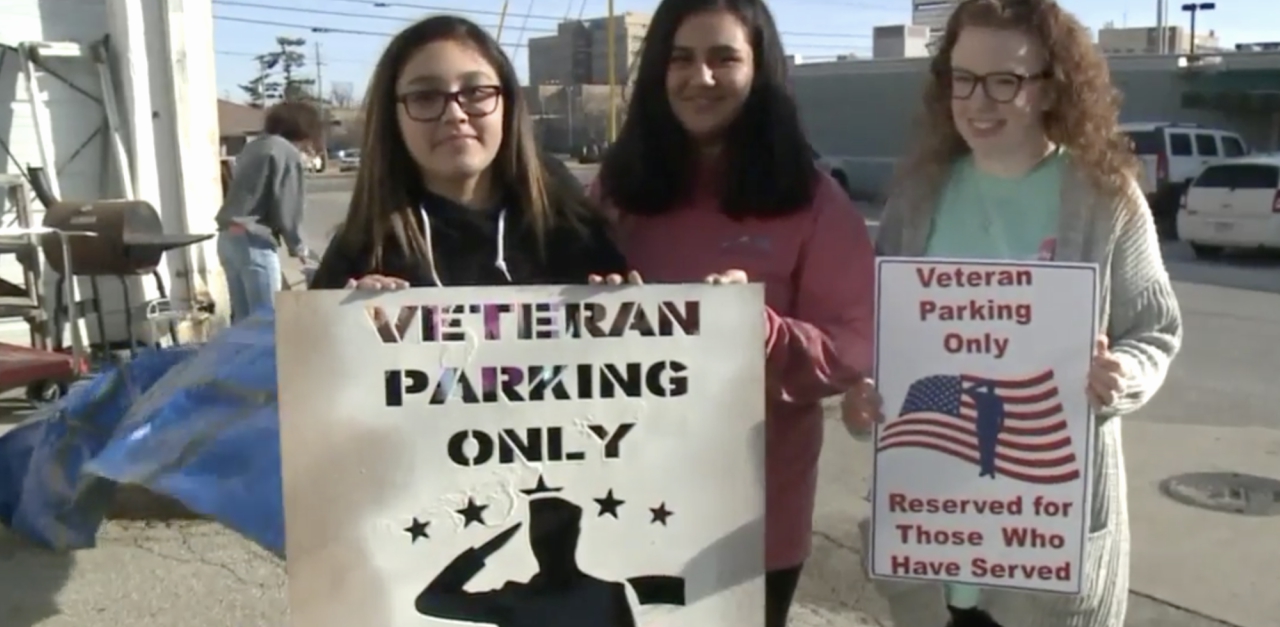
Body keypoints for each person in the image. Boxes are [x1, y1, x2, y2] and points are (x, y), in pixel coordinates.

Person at [843, 1, 1183, 626]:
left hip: (1045, 565)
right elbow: (883, 340)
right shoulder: (918, 197)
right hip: (933, 551)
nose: (978, 101)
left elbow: (1156, 330)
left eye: (1005, 81)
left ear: (1052, 86)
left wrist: (1121, 377)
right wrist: (864, 401)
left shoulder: (1104, 199)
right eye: (963, 79)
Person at [590, 0, 876, 625]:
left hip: (754, 515)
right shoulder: (615, 189)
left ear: (761, 70)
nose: (702, 78)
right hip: (623, 499)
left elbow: (853, 345)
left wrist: (763, 333)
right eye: (682, 59)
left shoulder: (813, 198)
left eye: (725, 58)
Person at [308, 15, 626, 291]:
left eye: (475, 92)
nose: (455, 114)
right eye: (425, 96)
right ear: (393, 118)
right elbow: (309, 355)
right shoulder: (364, 247)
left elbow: (636, 347)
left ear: (508, 105)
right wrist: (347, 329)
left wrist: (622, 314)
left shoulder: (567, 220)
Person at [216, 101, 322, 322]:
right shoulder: (286, 152)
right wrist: (298, 247)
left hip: (229, 236)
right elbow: (286, 206)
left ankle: (241, 358)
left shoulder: (254, 146)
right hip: (254, 241)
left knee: (244, 323)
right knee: (267, 321)